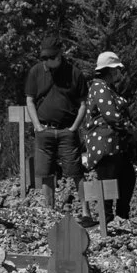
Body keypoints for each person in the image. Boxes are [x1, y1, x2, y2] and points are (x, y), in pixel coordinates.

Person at [24, 38, 86, 209]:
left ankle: (86, 212)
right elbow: (29, 100)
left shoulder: (74, 73)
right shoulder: (36, 72)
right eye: (44, 57)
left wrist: (73, 128)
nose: (46, 61)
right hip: (45, 130)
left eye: (50, 57)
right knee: (45, 173)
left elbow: (83, 104)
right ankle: (49, 211)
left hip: (67, 130)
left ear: (60, 55)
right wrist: (37, 126)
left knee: (77, 173)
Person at [80, 51, 135, 221]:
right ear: (110, 70)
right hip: (105, 145)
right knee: (108, 183)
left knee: (126, 178)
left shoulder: (108, 88)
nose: (119, 72)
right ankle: (108, 221)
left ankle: (120, 217)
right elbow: (111, 115)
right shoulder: (99, 87)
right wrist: (131, 129)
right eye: (117, 69)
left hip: (115, 145)